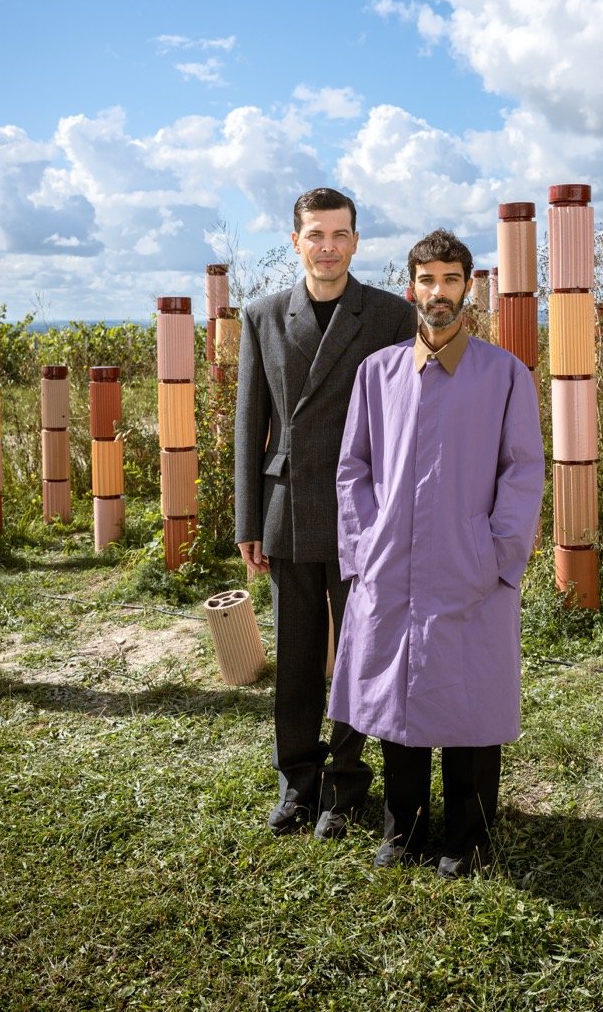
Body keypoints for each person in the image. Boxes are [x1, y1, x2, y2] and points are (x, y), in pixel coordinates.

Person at [329, 228, 545, 877]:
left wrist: (496, 555)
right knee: (398, 698)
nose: (439, 291)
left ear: (469, 288)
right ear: (411, 289)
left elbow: (523, 472)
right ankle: (404, 830)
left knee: (469, 698)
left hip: (470, 565)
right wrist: (364, 548)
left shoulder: (504, 375)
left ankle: (468, 836)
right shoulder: (378, 373)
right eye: (428, 280)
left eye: (451, 279)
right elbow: (353, 467)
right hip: (390, 565)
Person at [234, 187, 417, 839]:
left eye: (340, 235)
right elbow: (249, 423)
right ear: (296, 242)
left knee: (359, 656)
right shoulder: (261, 315)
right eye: (315, 234)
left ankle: (345, 786)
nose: (328, 247)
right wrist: (248, 522)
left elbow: (406, 425)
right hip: (288, 507)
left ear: (356, 242)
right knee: (296, 657)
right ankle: (297, 783)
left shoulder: (392, 315)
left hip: (363, 513)